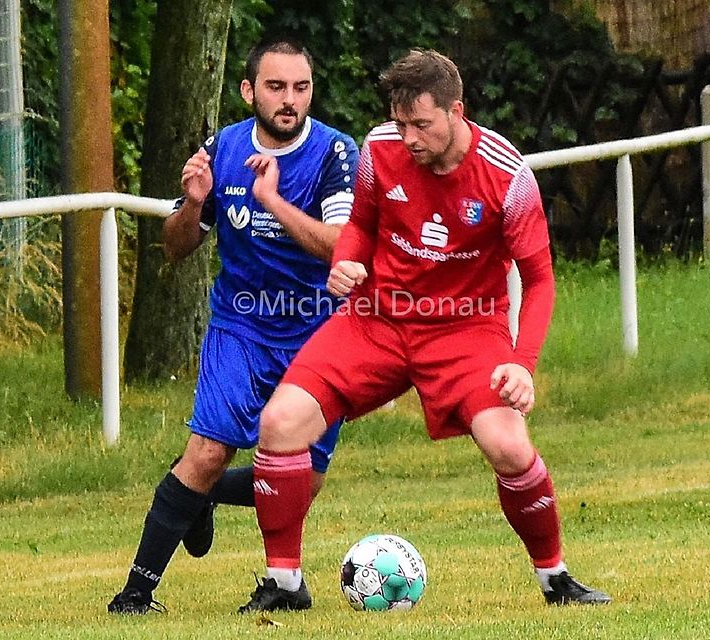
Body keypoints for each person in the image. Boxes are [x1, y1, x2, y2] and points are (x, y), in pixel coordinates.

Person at [238, 49, 611, 613]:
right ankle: (284, 585)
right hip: (378, 319)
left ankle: (555, 578)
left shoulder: (508, 178)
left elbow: (539, 280)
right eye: (400, 122)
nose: (408, 137)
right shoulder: (379, 148)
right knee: (280, 422)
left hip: (467, 330)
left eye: (422, 124)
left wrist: (522, 363)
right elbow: (361, 224)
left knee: (509, 446)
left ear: (456, 111)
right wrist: (350, 262)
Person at [107, 38, 359, 614]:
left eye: (300, 87)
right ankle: (135, 595)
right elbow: (174, 248)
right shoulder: (221, 149)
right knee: (208, 450)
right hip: (240, 326)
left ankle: (197, 497)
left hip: (317, 333)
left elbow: (339, 249)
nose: (289, 99)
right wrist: (194, 205)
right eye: (275, 87)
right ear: (249, 91)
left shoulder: (335, 155)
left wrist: (271, 201)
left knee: (304, 485)